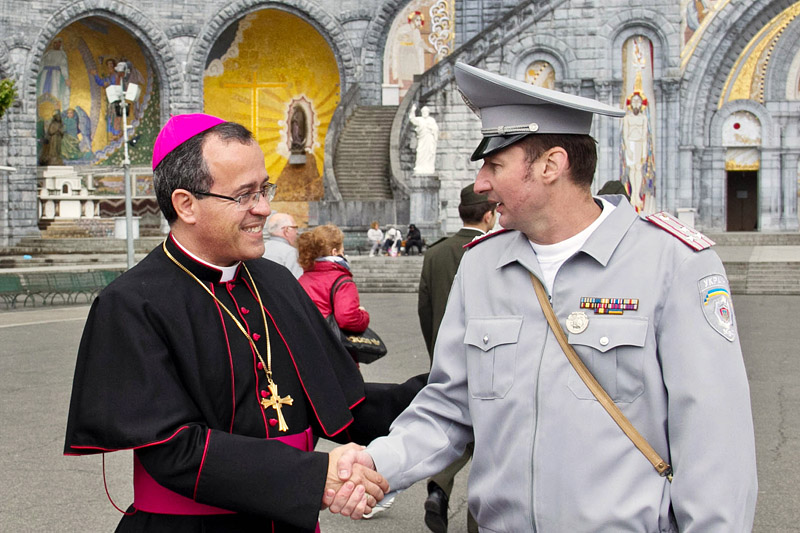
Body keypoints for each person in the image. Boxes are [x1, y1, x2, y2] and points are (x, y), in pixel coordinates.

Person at [334, 62, 758, 531]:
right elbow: (449, 407)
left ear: (552, 165)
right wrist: (377, 465)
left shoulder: (674, 264)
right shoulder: (481, 266)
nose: (480, 184)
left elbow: (716, 445)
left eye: (494, 165)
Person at [63, 113, 428, 532]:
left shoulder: (274, 280)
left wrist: (449, 391)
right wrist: (312, 475)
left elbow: (338, 397)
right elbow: (174, 451)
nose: (265, 208)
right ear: (186, 204)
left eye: (264, 189)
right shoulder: (130, 304)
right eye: (245, 195)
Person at [417, 183, 496, 533]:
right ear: (490, 214)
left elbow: (425, 307)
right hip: (490, 358)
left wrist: (437, 351)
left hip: (445, 356)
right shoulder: (492, 250)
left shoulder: (436, 252)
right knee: (490, 443)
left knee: (456, 428)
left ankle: (439, 486)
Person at [297, 224, 370, 340]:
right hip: (331, 344)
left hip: (307, 340)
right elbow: (348, 318)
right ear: (334, 252)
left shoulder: (303, 278)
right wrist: (363, 315)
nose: (344, 251)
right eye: (342, 247)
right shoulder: (341, 280)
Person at [263, 212, 303, 278]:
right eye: (295, 227)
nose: (297, 232)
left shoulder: (262, 249)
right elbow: (296, 282)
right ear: (286, 230)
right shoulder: (291, 253)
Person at [409, 104, 439, 174]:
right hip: (422, 139)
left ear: (428, 113)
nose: (424, 113)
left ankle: (428, 167)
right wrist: (413, 110)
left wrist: (431, 128)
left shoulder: (431, 120)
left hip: (429, 138)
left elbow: (435, 129)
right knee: (420, 151)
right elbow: (412, 119)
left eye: (426, 112)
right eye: (423, 112)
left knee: (429, 153)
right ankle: (420, 167)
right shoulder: (420, 120)